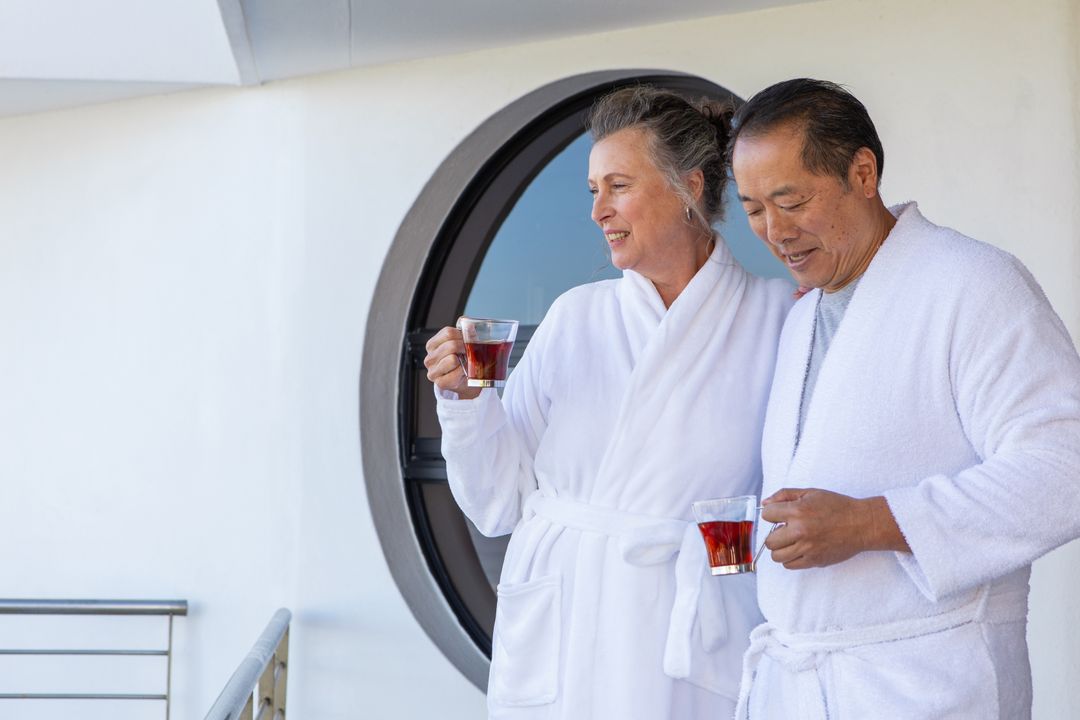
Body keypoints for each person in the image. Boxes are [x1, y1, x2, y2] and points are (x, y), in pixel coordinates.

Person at [423, 85, 794, 719]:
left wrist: (730, 565)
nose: (598, 211)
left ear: (691, 188)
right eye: (592, 191)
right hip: (566, 627)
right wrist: (465, 402)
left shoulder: (778, 317)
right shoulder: (575, 318)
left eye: (617, 186)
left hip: (685, 640)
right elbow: (497, 502)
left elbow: (794, 495)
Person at [728, 78, 1080, 719]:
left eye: (792, 200)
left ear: (863, 172)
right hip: (803, 682)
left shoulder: (972, 284)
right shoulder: (804, 317)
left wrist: (870, 524)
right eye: (753, 208)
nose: (774, 231)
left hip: (924, 685)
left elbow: (1066, 467)